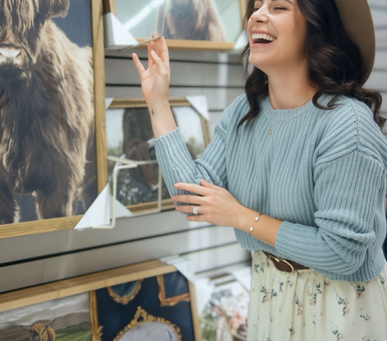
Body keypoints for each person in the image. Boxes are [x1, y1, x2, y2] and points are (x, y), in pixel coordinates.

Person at [132, 0, 387, 339]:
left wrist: (241, 217)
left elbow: (342, 254)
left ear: (317, 27)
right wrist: (158, 102)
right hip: (270, 292)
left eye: (278, 6)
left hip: (337, 305)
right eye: (256, 6)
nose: (258, 15)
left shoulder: (347, 126)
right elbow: (192, 198)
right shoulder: (244, 112)